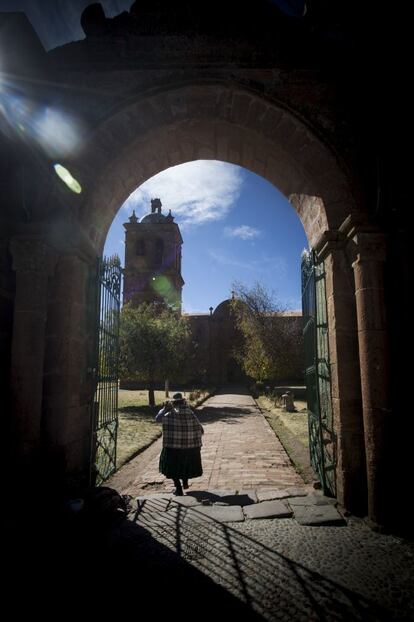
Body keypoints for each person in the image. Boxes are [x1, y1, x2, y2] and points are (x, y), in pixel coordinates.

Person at [155, 392, 204, 495]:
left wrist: (164, 409)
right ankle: (185, 482)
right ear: (183, 401)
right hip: (190, 448)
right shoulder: (190, 413)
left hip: (173, 447)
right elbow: (200, 428)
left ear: (173, 403)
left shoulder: (170, 414)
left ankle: (178, 488)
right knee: (184, 464)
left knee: (173, 467)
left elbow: (158, 419)